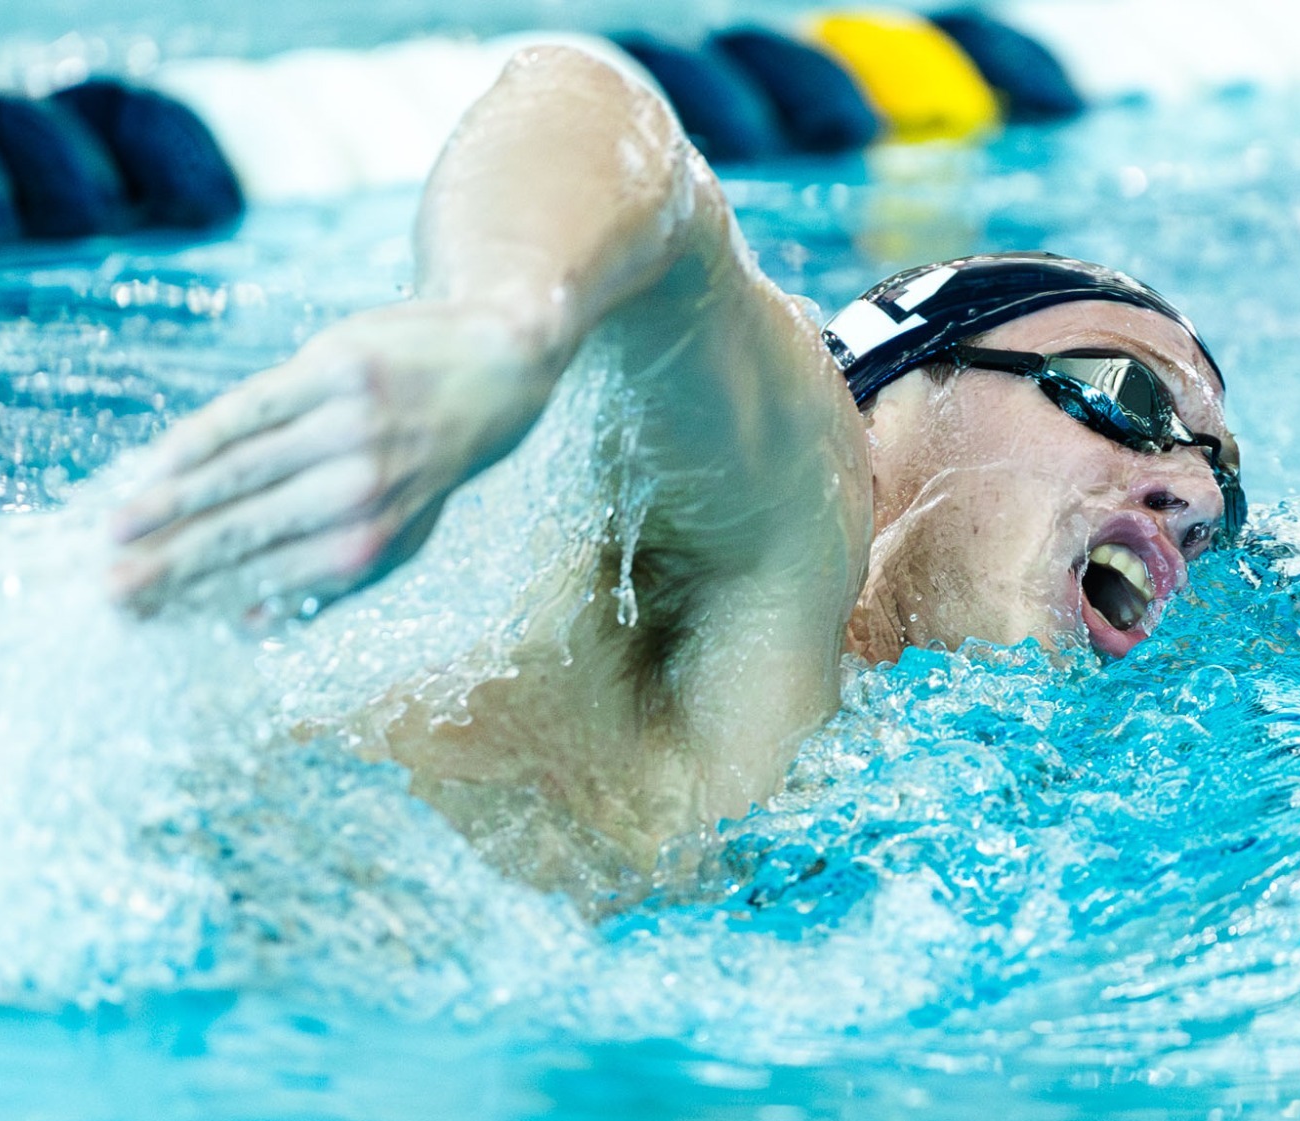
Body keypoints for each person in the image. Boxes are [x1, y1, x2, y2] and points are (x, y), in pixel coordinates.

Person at [107, 46, 1243, 893]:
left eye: (1219, 493)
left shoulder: (908, 768)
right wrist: (496, 321)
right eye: (1124, 395)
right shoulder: (796, 540)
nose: (1190, 494)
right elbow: (597, 118)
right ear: (885, 401)